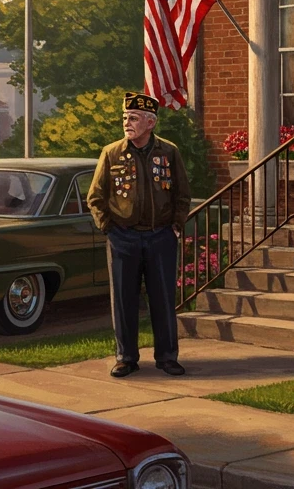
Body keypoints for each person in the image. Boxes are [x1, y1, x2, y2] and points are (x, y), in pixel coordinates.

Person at [87, 92, 191, 378]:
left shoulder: (169, 152)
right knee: (123, 300)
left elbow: (182, 194)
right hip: (123, 238)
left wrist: (176, 226)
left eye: (133, 118)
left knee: (163, 299)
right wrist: (108, 228)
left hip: (161, 237)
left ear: (150, 122)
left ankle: (167, 357)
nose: (127, 123)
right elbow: (95, 197)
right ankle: (126, 358)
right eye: (125, 118)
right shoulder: (111, 153)